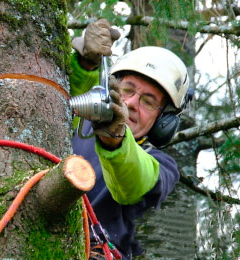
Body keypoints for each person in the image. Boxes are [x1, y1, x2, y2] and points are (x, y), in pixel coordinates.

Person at [70, 19, 190, 260]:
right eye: (127, 90)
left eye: (148, 101)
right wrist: (87, 65)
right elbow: (60, 104)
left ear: (162, 121)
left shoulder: (161, 167)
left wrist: (115, 139)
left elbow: (132, 182)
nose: (132, 103)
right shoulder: (77, 129)